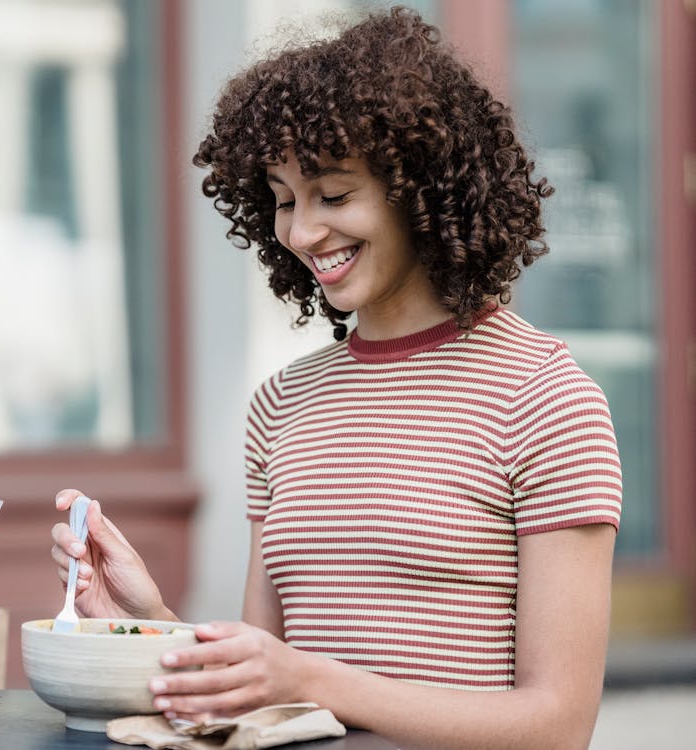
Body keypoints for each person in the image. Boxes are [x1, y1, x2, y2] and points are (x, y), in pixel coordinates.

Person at [50, 6, 622, 749]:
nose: (300, 232)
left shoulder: (545, 398)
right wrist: (146, 618)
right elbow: (261, 695)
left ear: (421, 191)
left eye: (333, 194)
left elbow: (558, 725)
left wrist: (313, 681)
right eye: (283, 200)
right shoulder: (280, 405)